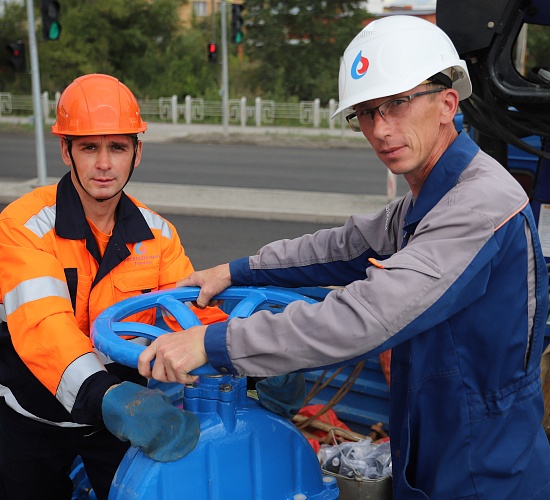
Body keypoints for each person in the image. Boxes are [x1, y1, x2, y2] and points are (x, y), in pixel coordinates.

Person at [138, 16, 550, 499]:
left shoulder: (479, 206)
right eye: (366, 112)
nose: (380, 129)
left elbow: (366, 317)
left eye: (397, 104)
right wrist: (234, 270)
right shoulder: (428, 201)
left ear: (447, 103)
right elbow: (344, 246)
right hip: (437, 435)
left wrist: (213, 343)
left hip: (486, 465)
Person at [0, 73, 229, 500]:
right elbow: (43, 326)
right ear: (66, 150)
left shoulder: (158, 236)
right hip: (35, 419)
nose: (104, 164)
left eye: (117, 147)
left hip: (118, 421)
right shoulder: (24, 226)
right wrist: (104, 394)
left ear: (137, 153)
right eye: (89, 147)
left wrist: (246, 364)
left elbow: (192, 317)